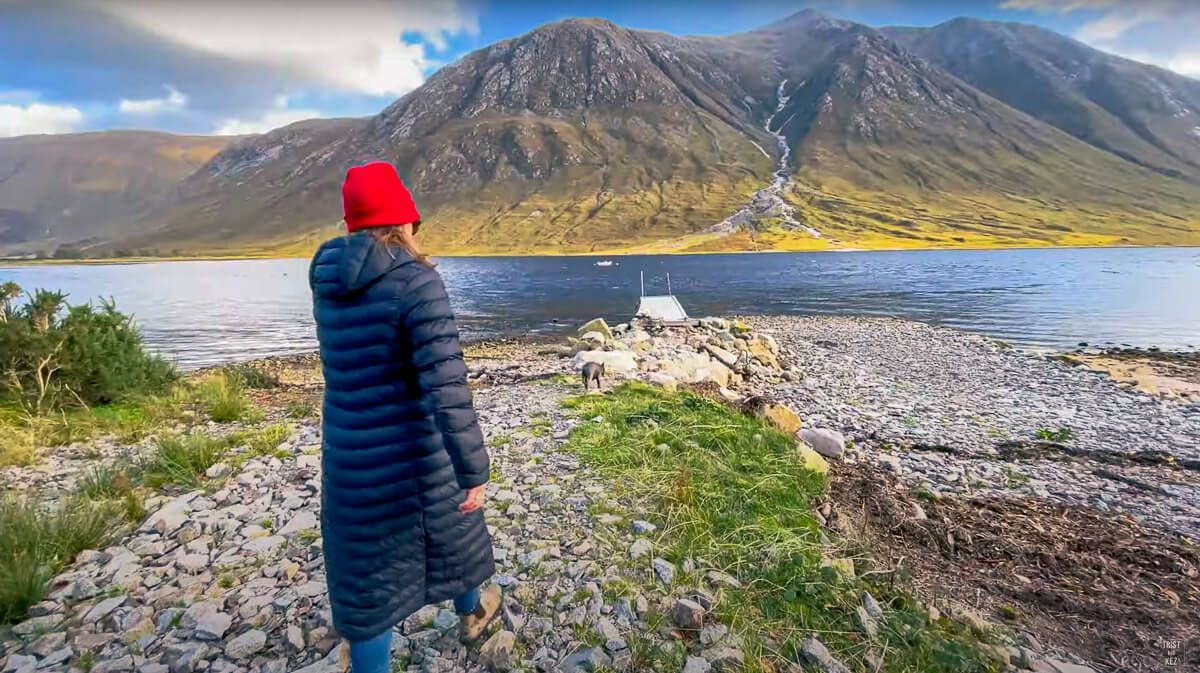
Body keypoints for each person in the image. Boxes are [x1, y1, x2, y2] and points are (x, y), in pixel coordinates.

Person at [309, 161, 499, 673]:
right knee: (453, 522)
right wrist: (473, 470)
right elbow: (446, 385)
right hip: (415, 450)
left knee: (368, 577)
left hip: (350, 452)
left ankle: (378, 658)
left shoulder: (328, 280)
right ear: (404, 220)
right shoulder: (417, 283)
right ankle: (473, 612)